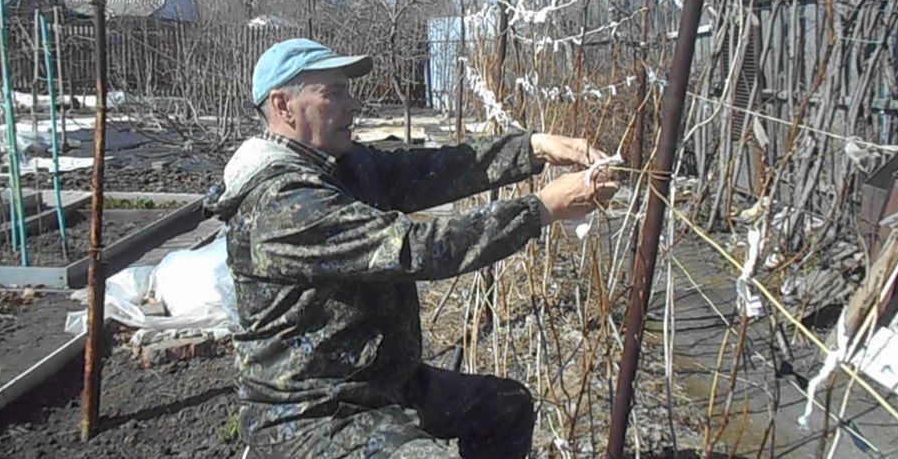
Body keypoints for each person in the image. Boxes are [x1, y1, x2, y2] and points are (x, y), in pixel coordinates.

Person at [207, 39, 619, 458]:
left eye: (348, 90)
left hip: (381, 383)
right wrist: (542, 208)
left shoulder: (340, 166)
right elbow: (415, 248)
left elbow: (432, 169)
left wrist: (534, 147)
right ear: (283, 106)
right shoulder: (283, 202)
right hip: (311, 411)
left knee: (505, 406)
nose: (353, 104)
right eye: (334, 92)